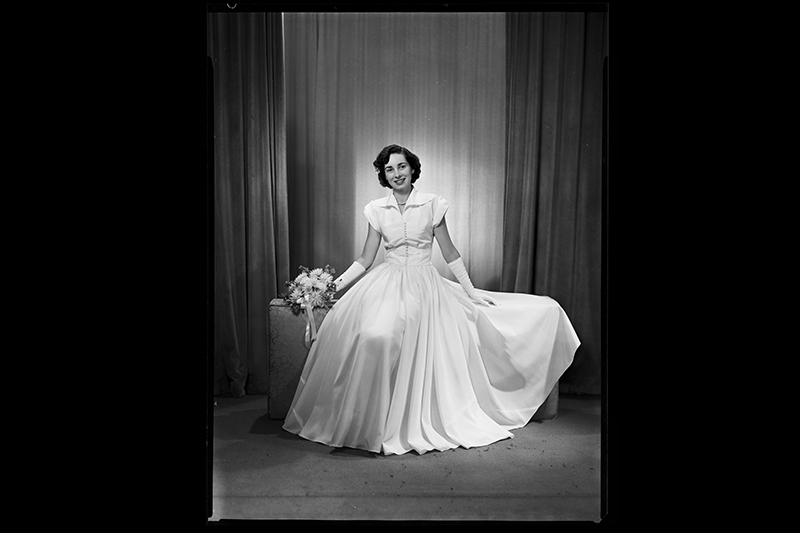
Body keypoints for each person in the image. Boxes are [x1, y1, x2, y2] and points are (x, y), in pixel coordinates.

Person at [282, 144, 580, 455]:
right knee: (375, 337)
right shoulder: (376, 210)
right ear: (383, 175)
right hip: (387, 282)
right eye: (389, 169)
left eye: (401, 167)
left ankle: (407, 422)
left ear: (412, 169)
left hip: (425, 284)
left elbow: (449, 253)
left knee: (415, 332)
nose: (396, 174)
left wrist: (471, 290)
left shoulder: (431, 205)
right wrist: (330, 289)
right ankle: (372, 423)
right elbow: (365, 259)